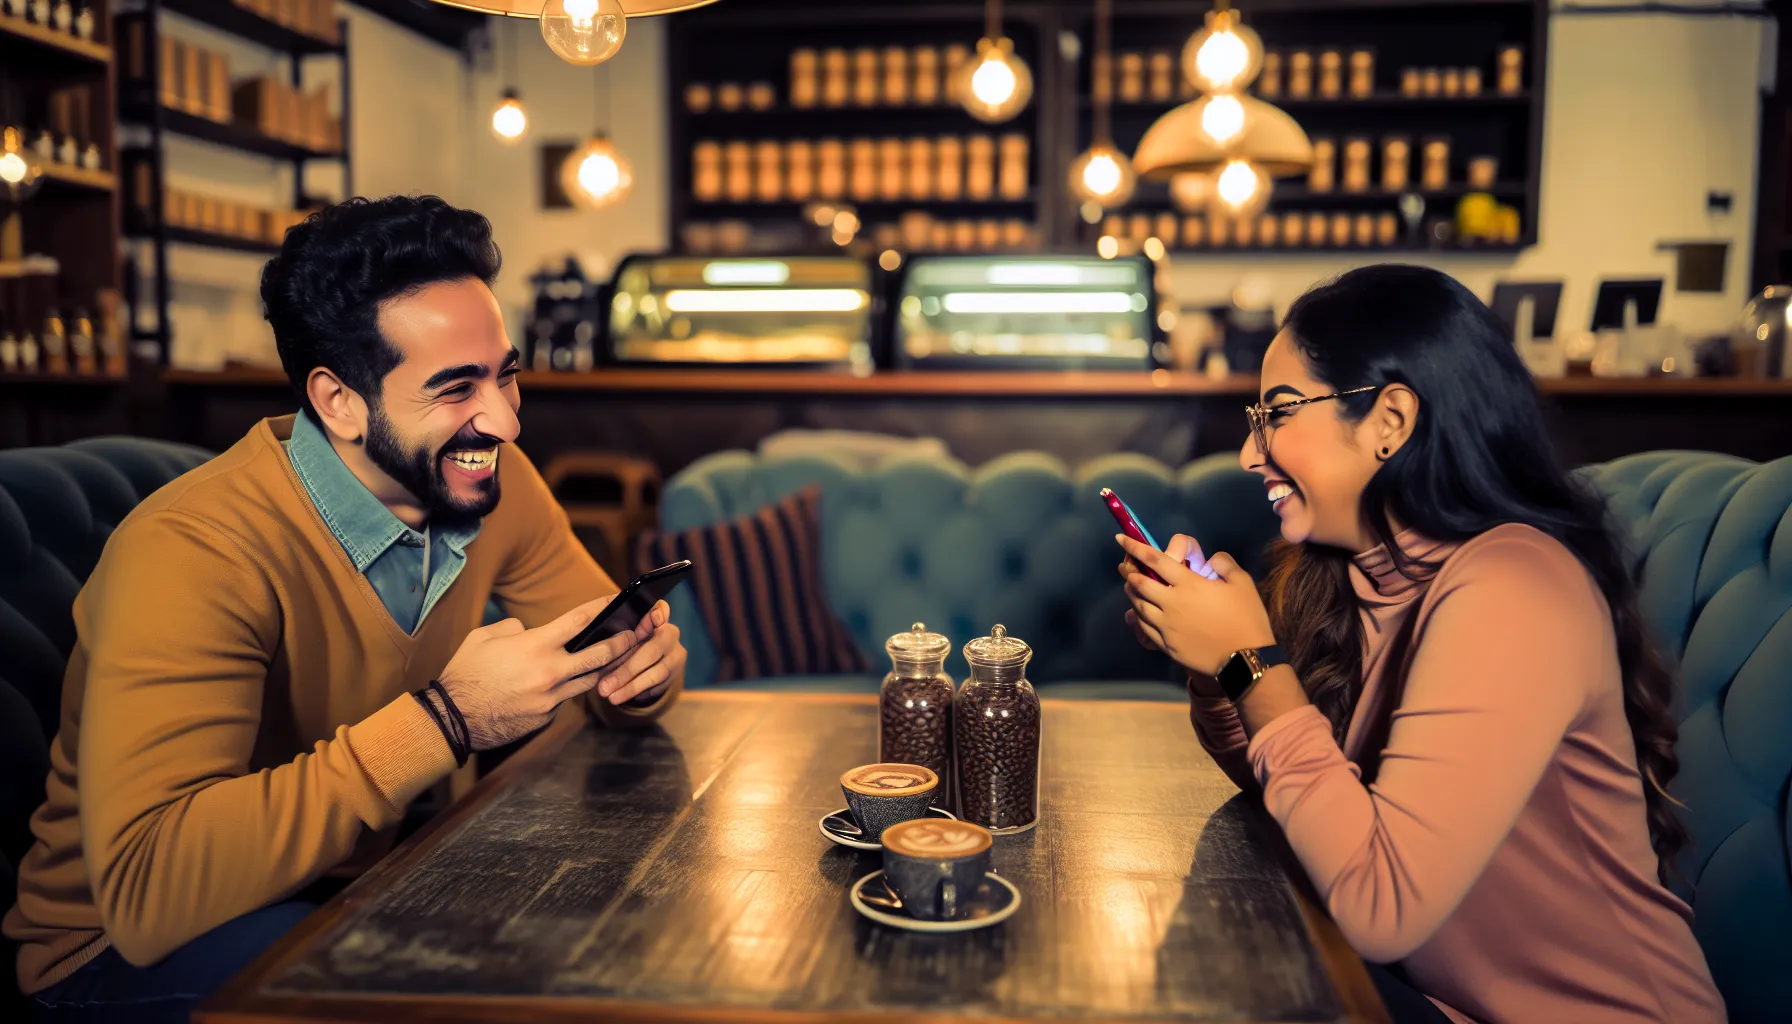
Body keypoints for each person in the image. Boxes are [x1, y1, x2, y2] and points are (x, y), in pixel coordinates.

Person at [6, 195, 688, 1023]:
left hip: (367, 885)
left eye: (506, 372)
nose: (505, 420)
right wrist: (447, 720)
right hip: (109, 956)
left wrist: (639, 675)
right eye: (455, 388)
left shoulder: (489, 483)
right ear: (338, 403)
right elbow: (149, 891)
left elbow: (602, 660)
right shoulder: (194, 549)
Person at [1116, 265, 1725, 1024]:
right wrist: (1216, 670)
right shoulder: (1355, 580)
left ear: (1391, 421)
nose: (1249, 452)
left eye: (1276, 412)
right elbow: (1307, 804)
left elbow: (1381, 904)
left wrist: (1252, 661)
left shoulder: (1515, 587)